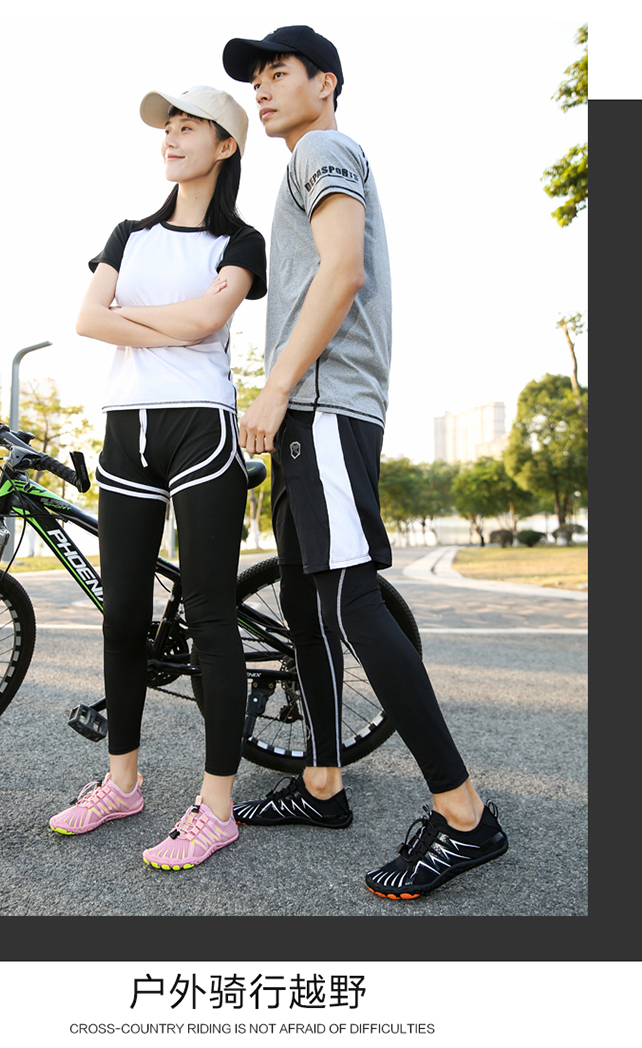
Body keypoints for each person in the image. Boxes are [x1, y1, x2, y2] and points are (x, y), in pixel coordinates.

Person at [221, 26, 508, 898]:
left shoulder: (325, 149)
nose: (263, 89)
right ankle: (322, 784)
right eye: (256, 78)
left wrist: (275, 388)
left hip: (324, 406)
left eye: (278, 72)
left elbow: (342, 271)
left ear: (327, 82)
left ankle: (466, 816)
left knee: (350, 602)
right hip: (309, 411)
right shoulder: (303, 161)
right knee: (306, 604)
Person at [49, 85, 267, 871]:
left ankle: (216, 808)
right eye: (166, 128)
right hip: (126, 428)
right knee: (121, 617)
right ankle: (122, 784)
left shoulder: (241, 241)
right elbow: (88, 319)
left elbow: (208, 323)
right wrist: (178, 321)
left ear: (225, 145)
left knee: (209, 613)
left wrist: (146, 322)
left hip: (201, 427)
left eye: (188, 127)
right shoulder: (129, 233)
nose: (170, 139)